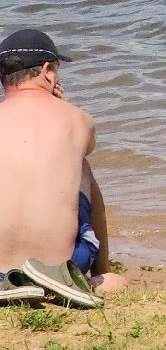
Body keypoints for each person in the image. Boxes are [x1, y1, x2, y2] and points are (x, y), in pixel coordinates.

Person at [0, 28, 125, 308]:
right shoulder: (78, 119)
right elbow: (73, 149)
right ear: (47, 71)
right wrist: (59, 104)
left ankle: (5, 278)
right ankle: (100, 272)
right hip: (63, 265)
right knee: (80, 166)